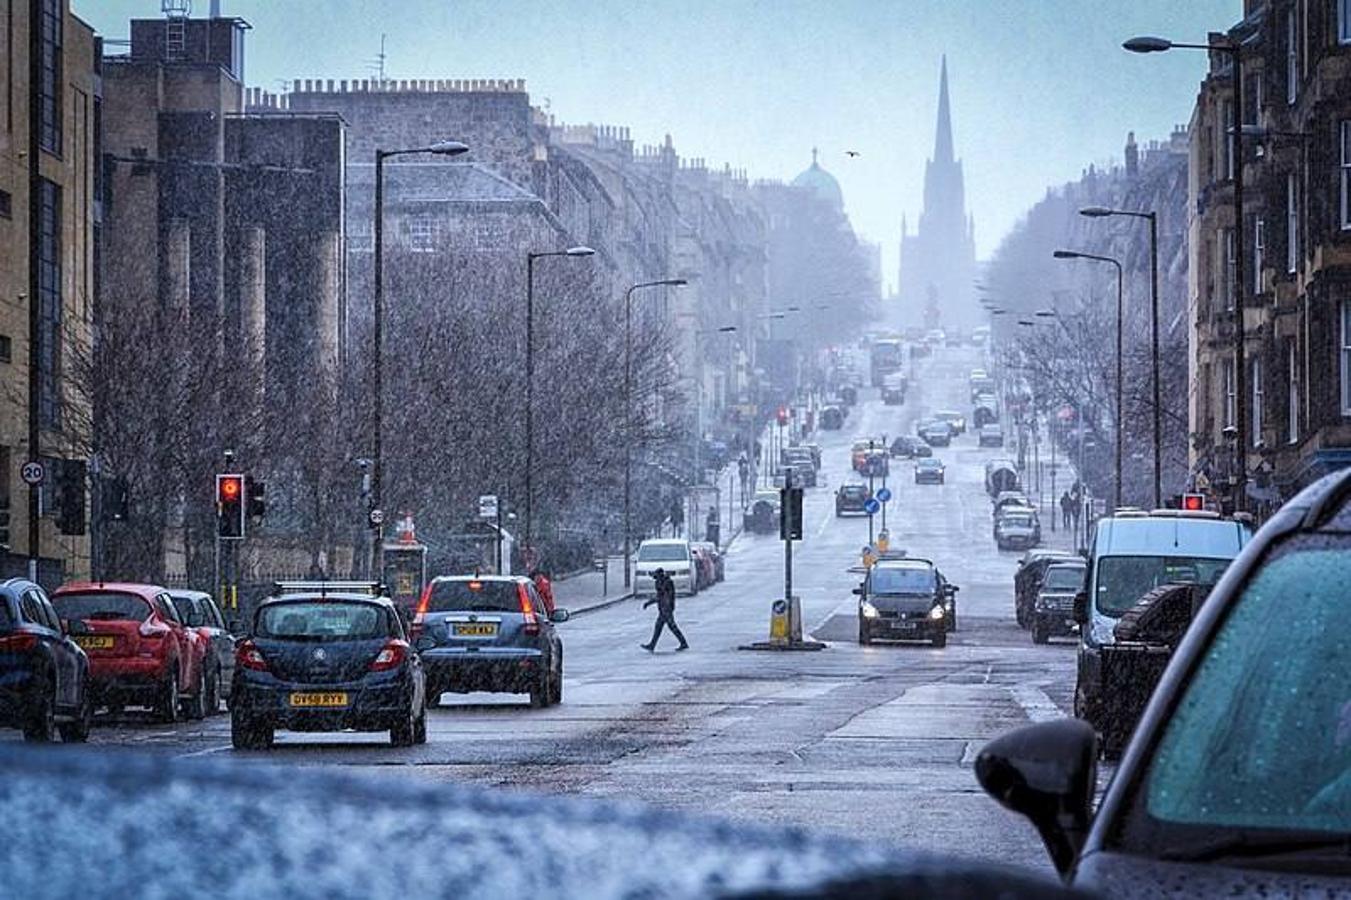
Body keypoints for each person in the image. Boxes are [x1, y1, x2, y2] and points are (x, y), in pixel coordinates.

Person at [641, 567, 688, 652]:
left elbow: (666, 596)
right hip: (664, 609)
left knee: (671, 626)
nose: (655, 578)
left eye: (656, 576)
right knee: (660, 627)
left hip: (666, 609)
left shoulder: (666, 582)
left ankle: (683, 643)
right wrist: (649, 603)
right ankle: (652, 645)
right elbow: (660, 596)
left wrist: (666, 607)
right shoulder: (661, 582)